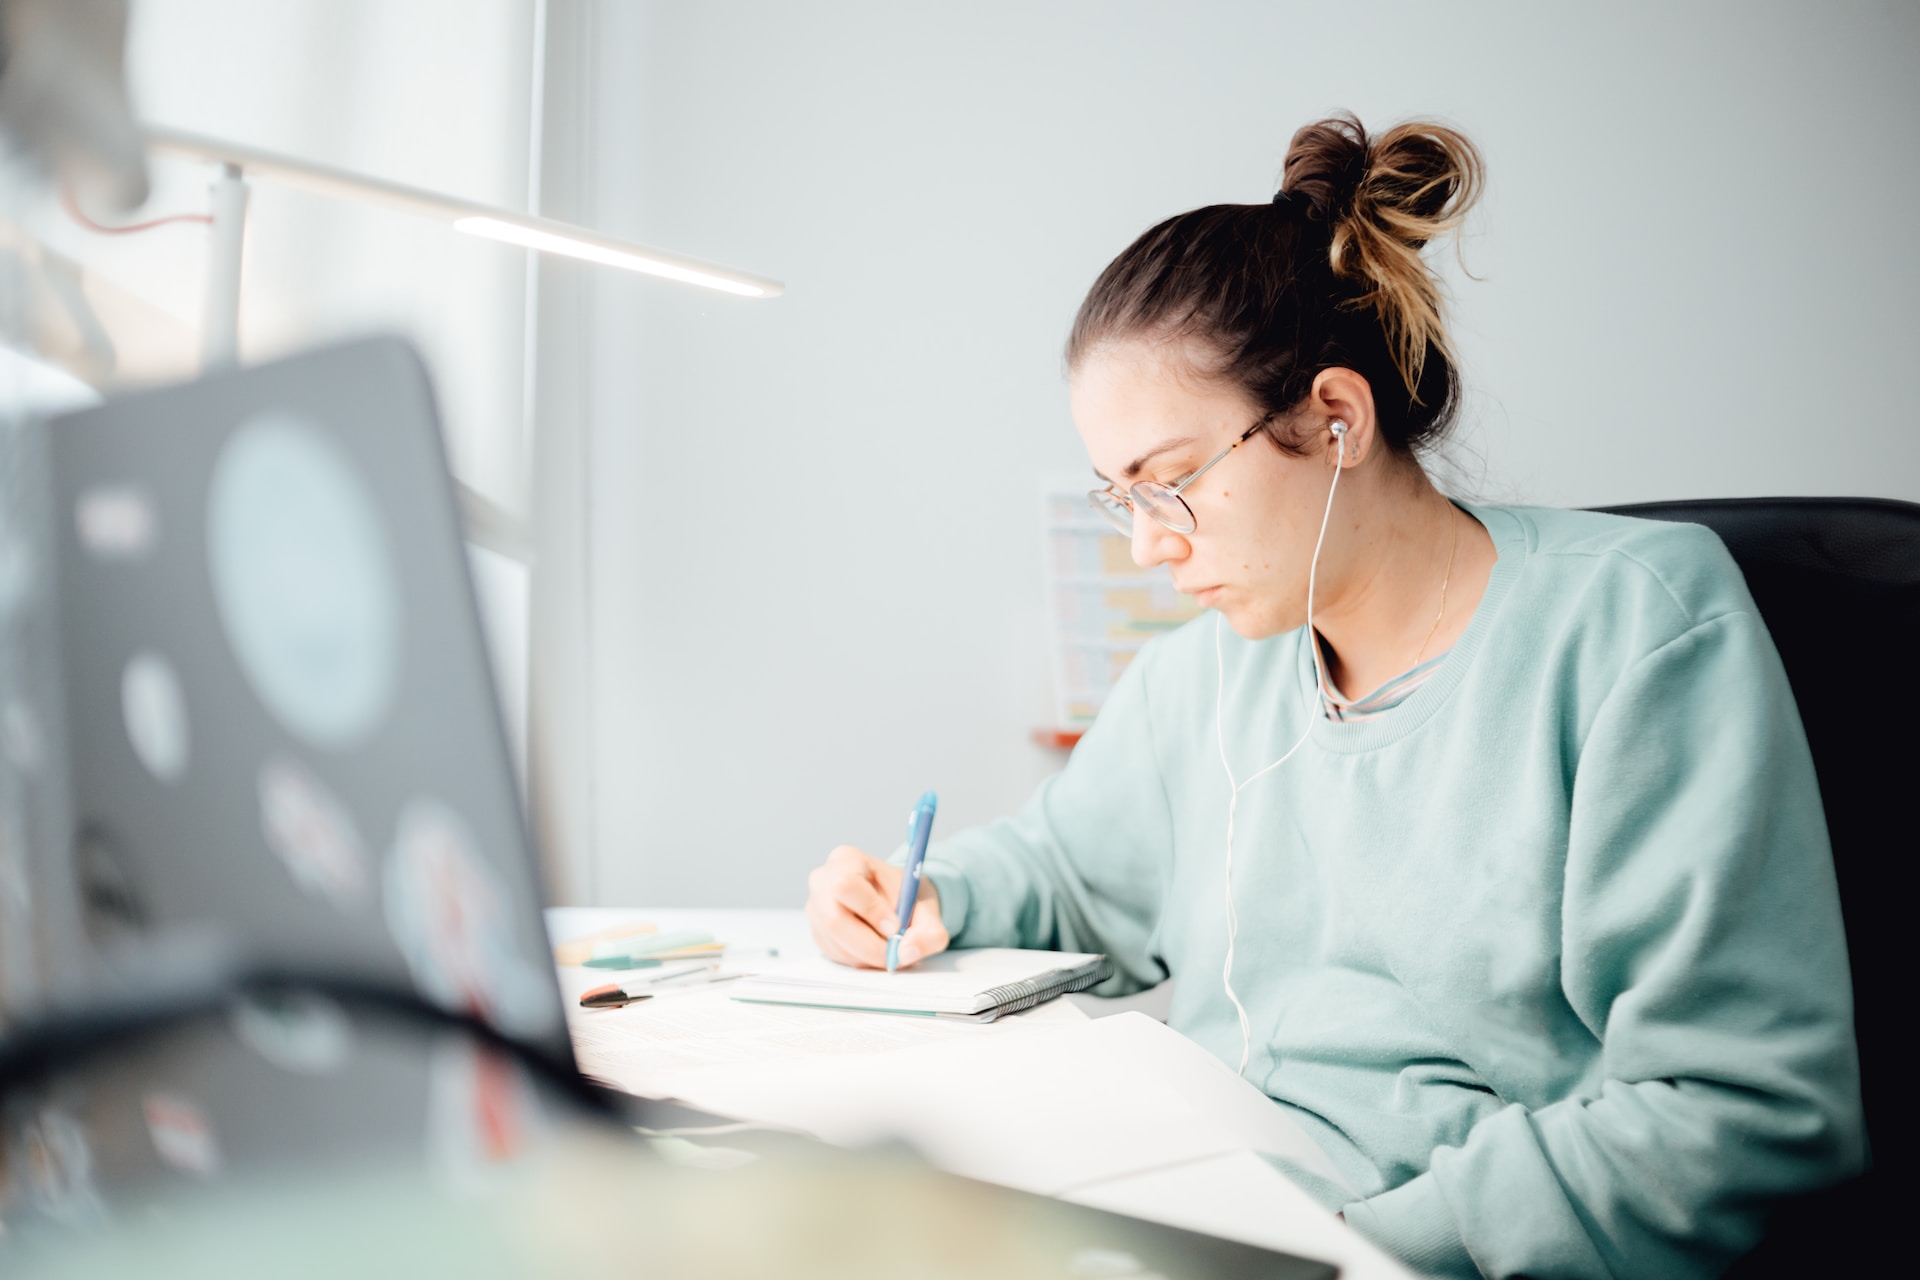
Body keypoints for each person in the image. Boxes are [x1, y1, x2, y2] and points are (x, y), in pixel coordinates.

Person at [803, 113, 1864, 1278]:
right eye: (1121, 499)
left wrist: (1343, 1249)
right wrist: (926, 891)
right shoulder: (1206, 670)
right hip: (1210, 1220)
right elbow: (1066, 874)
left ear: (1337, 417)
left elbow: (1734, 1112)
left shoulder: (1634, 629)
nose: (1150, 548)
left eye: (1170, 484)